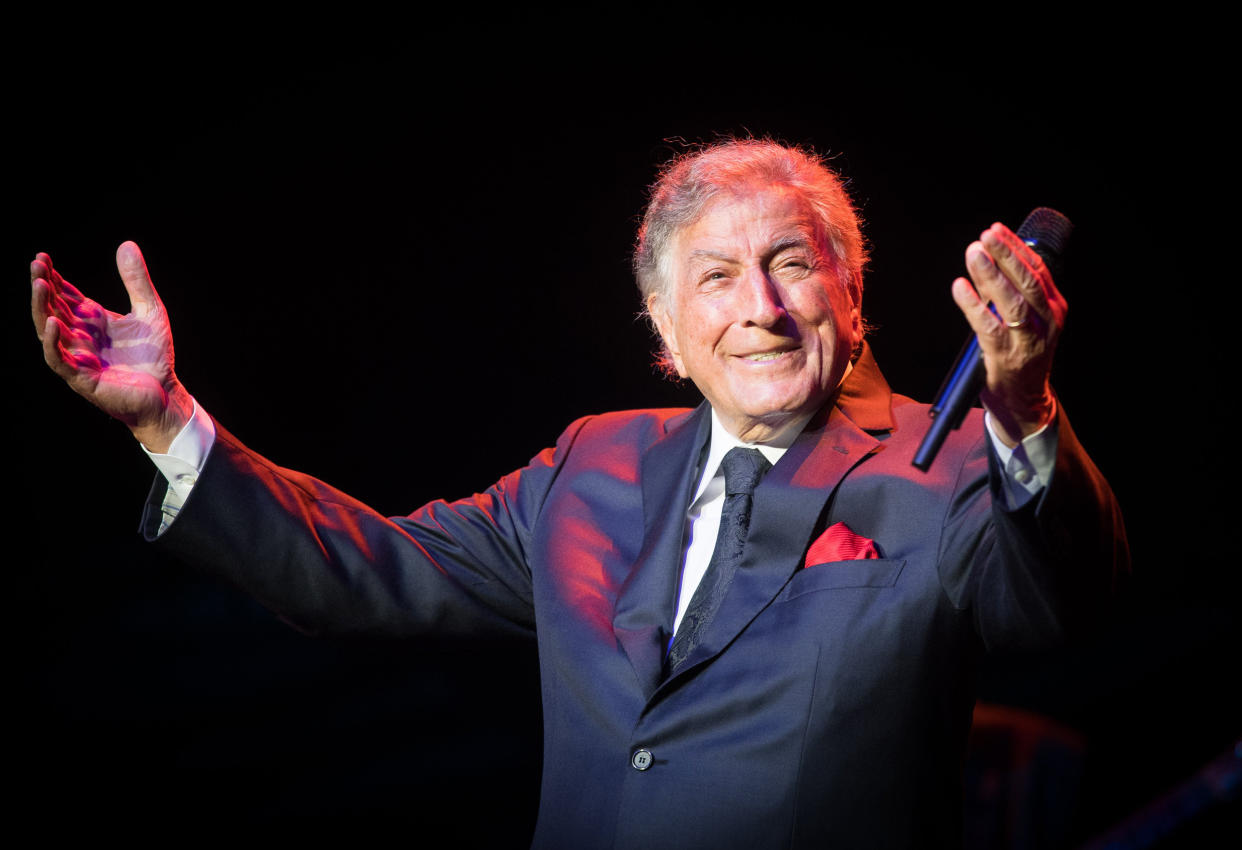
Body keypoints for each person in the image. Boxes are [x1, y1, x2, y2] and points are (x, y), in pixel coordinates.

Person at [30, 139, 1127, 848]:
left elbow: (1063, 600)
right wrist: (168, 419)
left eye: (792, 264)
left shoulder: (948, 466)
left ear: (851, 293)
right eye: (715, 276)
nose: (761, 307)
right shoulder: (593, 466)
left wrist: (1022, 402)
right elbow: (363, 572)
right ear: (665, 334)